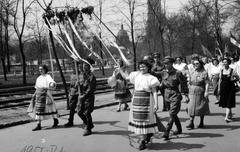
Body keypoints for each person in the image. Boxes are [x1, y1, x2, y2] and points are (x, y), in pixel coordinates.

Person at [120, 60, 160, 150]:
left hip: (147, 100)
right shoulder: (136, 74)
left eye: (144, 66)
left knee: (145, 121)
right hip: (136, 99)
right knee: (138, 120)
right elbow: (126, 77)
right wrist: (120, 70)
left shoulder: (151, 78)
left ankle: (143, 140)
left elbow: (154, 92)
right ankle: (146, 135)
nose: (142, 68)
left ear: (148, 68)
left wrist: (156, 104)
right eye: (140, 66)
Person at [160, 56, 189, 140]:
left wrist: (186, 95)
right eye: (164, 63)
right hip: (166, 94)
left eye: (167, 63)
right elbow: (161, 81)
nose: (165, 65)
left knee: (172, 113)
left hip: (175, 94)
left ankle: (167, 131)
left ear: (172, 63)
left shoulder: (178, 73)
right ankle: (179, 128)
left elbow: (184, 84)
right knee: (172, 113)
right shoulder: (163, 73)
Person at [29, 64, 59, 131]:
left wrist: (52, 84)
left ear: (45, 69)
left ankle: (55, 120)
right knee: (39, 110)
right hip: (39, 96)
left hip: (46, 95)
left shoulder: (48, 76)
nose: (40, 70)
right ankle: (38, 125)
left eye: (42, 69)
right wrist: (34, 94)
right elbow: (37, 88)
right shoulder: (39, 78)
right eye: (39, 69)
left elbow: (51, 82)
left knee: (50, 108)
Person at [187, 59, 210, 129]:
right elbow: (189, 81)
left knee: (201, 107)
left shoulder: (204, 73)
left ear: (200, 64)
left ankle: (201, 121)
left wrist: (206, 91)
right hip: (192, 92)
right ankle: (191, 122)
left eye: (197, 64)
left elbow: (207, 83)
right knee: (191, 107)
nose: (195, 65)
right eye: (194, 64)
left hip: (200, 91)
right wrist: (188, 86)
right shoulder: (192, 72)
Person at [77, 58, 97, 136]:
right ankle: (89, 124)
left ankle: (88, 128)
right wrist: (77, 84)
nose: (84, 67)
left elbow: (91, 89)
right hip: (81, 96)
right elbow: (80, 86)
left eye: (86, 66)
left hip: (88, 97)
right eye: (83, 65)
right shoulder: (82, 76)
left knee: (87, 113)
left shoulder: (92, 77)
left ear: (90, 67)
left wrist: (83, 96)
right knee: (79, 112)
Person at [218, 58, 239, 123]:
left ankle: (226, 117)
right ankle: (230, 113)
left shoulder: (232, 70)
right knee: (226, 100)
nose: (224, 63)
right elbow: (220, 80)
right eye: (223, 62)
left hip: (231, 87)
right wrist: (219, 88)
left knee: (229, 101)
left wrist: (234, 79)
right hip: (223, 87)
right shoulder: (221, 70)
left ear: (228, 63)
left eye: (225, 62)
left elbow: (237, 77)